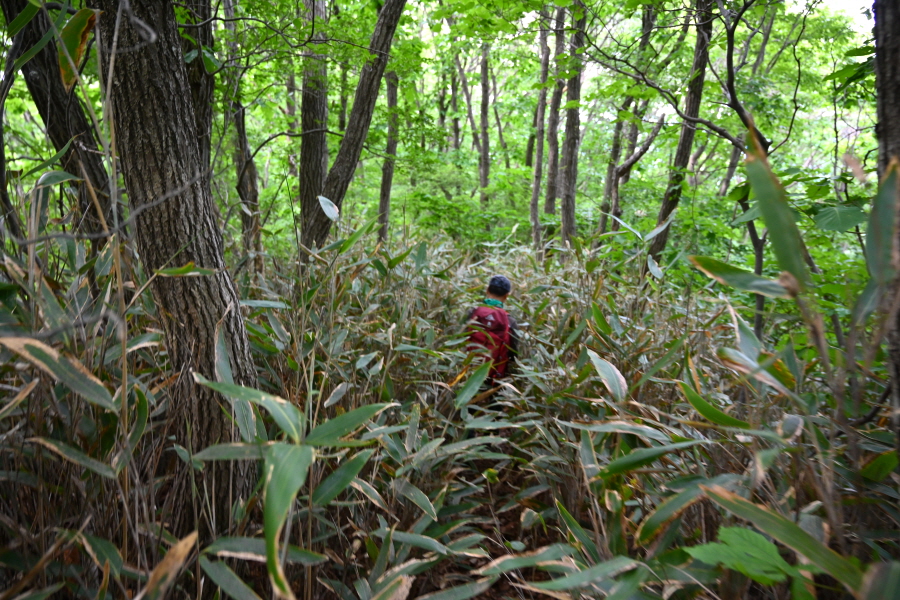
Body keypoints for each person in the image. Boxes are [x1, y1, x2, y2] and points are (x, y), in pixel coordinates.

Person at [465, 275, 519, 381]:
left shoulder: (472, 313)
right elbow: (513, 354)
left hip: (469, 373)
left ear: (487, 290)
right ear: (506, 296)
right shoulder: (510, 321)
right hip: (495, 376)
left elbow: (461, 339)